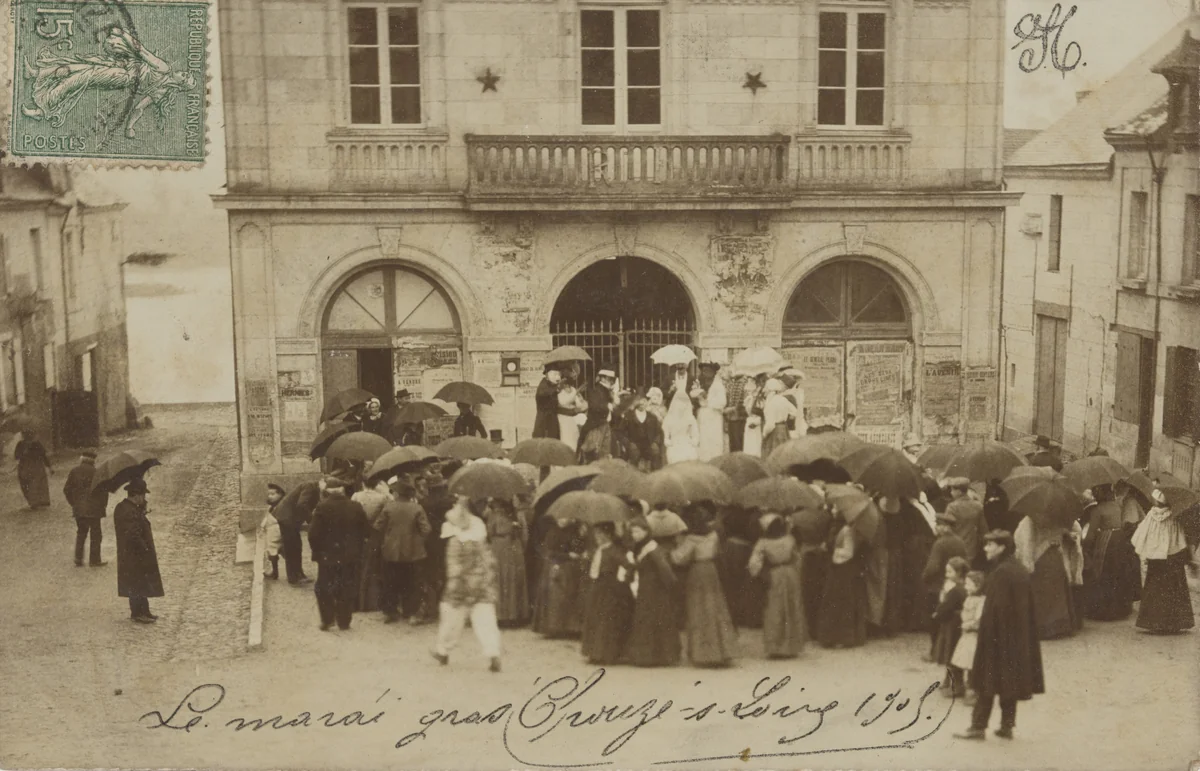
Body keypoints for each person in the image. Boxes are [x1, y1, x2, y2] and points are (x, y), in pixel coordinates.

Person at [955, 530, 1044, 741]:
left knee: (987, 680)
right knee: (1009, 680)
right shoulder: (1017, 569)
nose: (985, 548)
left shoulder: (1001, 573)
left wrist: (985, 633)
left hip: (998, 637)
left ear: (1002, 547)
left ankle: (977, 727)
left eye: (990, 545)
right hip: (1016, 638)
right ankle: (1007, 725)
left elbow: (996, 609)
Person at [432, 497, 503, 672]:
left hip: (460, 586)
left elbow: (453, 568)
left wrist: (454, 584)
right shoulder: (480, 539)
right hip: (481, 585)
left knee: (451, 621)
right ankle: (493, 652)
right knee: (486, 621)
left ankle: (443, 650)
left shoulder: (455, 542)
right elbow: (489, 561)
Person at [671, 513, 737, 666]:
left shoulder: (691, 539)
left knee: (699, 608)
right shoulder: (713, 535)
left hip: (697, 571)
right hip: (711, 570)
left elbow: (679, 558)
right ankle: (723, 650)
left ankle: (703, 653)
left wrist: (676, 546)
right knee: (715, 606)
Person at [308, 475, 370, 631]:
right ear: (342, 491)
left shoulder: (322, 507)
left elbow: (313, 534)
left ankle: (327, 620)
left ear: (327, 491)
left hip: (327, 556)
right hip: (350, 555)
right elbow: (365, 531)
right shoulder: (355, 506)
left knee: (323, 587)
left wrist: (317, 551)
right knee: (347, 586)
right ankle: (344, 621)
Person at [1130, 488, 1195, 633]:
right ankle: (1173, 623)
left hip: (1156, 558)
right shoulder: (1175, 516)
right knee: (1173, 588)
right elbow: (1180, 539)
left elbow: (1140, 535)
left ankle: (1154, 622)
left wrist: (1148, 551)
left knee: (1155, 587)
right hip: (1172, 557)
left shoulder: (1150, 516)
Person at [623, 516, 682, 667]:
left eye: (637, 532)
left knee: (651, 621)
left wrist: (670, 586)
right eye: (632, 532)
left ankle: (650, 657)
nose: (634, 535)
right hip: (647, 589)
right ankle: (652, 656)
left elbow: (665, 570)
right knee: (649, 621)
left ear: (645, 531)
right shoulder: (643, 547)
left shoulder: (652, 549)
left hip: (654, 590)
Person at [748, 515, 807, 659]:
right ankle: (791, 645)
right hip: (789, 574)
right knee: (791, 607)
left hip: (774, 575)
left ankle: (776, 646)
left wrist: (757, 573)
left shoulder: (763, 542)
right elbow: (797, 558)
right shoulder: (789, 539)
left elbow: (754, 564)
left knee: (774, 608)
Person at [1014, 516, 1079, 639]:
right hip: (1056, 556)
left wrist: (1027, 564)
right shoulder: (1058, 519)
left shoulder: (1030, 519)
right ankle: (1060, 627)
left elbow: (1028, 542)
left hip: (1041, 558)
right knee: (1057, 591)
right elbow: (1068, 536)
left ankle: (1044, 628)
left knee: (1042, 592)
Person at [379, 479, 431, 623]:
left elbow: (378, 526)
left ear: (397, 493)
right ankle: (411, 612)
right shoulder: (417, 508)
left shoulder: (388, 507)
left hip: (391, 551)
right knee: (412, 582)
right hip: (413, 551)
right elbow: (426, 529)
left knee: (391, 581)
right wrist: (418, 540)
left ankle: (390, 611)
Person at [582, 522, 634, 664]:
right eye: (596, 534)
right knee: (595, 619)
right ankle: (594, 652)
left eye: (601, 534)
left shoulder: (614, 551)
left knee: (606, 622)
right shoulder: (597, 550)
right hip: (596, 588)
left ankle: (606, 654)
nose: (598, 537)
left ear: (609, 535)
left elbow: (629, 566)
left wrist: (623, 580)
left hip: (610, 590)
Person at [113, 478, 163, 624]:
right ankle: (137, 613)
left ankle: (145, 611)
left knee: (141, 582)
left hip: (134, 554)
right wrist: (145, 548)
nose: (144, 499)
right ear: (136, 495)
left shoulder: (129, 508)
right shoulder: (127, 510)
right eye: (143, 496)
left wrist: (142, 512)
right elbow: (133, 534)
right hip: (133, 554)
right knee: (135, 583)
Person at [922, 510, 968, 658]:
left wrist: (924, 578)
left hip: (938, 586)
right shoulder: (960, 541)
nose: (936, 527)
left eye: (938, 525)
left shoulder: (940, 543)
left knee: (935, 620)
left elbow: (932, 567)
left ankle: (934, 651)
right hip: (955, 584)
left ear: (946, 527)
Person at [532, 516, 587, 638]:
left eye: (566, 518)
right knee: (555, 599)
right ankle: (553, 628)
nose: (563, 520)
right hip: (555, 565)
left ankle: (568, 627)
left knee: (568, 597)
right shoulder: (552, 533)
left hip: (569, 569)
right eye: (561, 518)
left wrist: (581, 537)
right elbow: (549, 552)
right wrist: (567, 555)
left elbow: (577, 547)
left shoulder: (573, 531)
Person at [818, 518, 868, 649]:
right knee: (847, 602)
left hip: (842, 568)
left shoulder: (846, 531)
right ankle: (847, 636)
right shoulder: (858, 532)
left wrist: (831, 547)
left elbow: (846, 553)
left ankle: (835, 636)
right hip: (851, 570)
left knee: (837, 601)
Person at [487, 497, 529, 626]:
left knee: (501, 579)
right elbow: (525, 535)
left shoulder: (493, 515)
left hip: (499, 548)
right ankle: (514, 614)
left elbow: (489, 533)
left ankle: (500, 615)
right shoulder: (517, 515)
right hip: (513, 548)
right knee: (511, 579)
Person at [352, 476, 392, 613]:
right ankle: (374, 602)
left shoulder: (356, 496)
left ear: (362, 483)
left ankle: (360, 602)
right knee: (374, 567)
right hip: (376, 533)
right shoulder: (382, 498)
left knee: (360, 566)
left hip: (359, 534)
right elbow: (388, 513)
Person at [932, 556, 970, 698]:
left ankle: (956, 685)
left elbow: (946, 606)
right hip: (956, 624)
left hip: (952, 626)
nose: (946, 575)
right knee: (952, 653)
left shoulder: (955, 590)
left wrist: (937, 614)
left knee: (951, 654)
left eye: (949, 572)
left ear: (958, 573)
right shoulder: (964, 587)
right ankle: (948, 681)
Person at [63, 450, 108, 567]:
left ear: (82, 459)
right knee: (96, 533)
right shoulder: (97, 472)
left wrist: (74, 503)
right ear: (93, 461)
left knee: (81, 532)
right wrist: (103, 505)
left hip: (79, 508)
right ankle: (94, 560)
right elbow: (103, 492)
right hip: (94, 509)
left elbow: (66, 490)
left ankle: (78, 559)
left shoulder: (74, 471)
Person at [272, 481, 318, 585]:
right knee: (291, 547)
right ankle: (293, 578)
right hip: (286, 518)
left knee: (297, 546)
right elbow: (301, 504)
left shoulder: (313, 488)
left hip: (290, 519)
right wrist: (311, 520)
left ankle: (299, 574)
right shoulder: (310, 487)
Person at [951, 570, 986, 706]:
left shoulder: (981, 601)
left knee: (972, 665)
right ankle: (961, 687)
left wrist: (969, 625)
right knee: (961, 662)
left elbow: (979, 619)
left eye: (969, 584)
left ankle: (972, 692)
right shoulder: (969, 598)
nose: (966, 587)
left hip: (973, 636)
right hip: (965, 636)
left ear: (977, 586)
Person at [945, 477, 988, 567]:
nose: (951, 492)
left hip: (955, 548)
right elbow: (984, 530)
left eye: (953, 490)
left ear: (959, 492)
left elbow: (947, 529)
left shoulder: (952, 507)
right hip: (972, 547)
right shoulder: (977, 506)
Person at [579, 369, 618, 463]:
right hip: (596, 426)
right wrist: (607, 405)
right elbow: (594, 406)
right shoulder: (596, 390)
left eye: (612, 379)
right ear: (603, 378)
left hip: (604, 425)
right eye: (609, 379)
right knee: (594, 454)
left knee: (603, 454)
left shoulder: (607, 391)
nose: (611, 381)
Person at [693, 362, 727, 461]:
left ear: (713, 372)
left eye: (708, 371)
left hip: (714, 416)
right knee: (703, 439)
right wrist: (699, 398)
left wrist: (708, 400)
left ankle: (714, 460)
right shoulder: (700, 384)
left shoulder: (718, 385)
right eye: (704, 371)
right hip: (703, 416)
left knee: (713, 439)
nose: (705, 373)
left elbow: (722, 402)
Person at [620, 396, 662, 471]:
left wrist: (655, 442)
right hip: (634, 445)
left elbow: (659, 432)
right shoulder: (628, 416)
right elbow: (620, 432)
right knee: (634, 454)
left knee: (656, 451)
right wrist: (628, 444)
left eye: (645, 401)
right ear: (636, 403)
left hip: (648, 444)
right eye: (640, 401)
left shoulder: (652, 417)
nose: (642, 403)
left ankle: (656, 476)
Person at [662, 386, 700, 465]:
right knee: (675, 458)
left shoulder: (690, 418)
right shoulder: (669, 418)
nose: (681, 406)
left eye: (684, 403)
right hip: (674, 443)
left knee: (691, 456)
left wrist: (694, 440)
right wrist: (666, 439)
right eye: (679, 403)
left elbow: (695, 434)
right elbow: (665, 434)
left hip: (687, 442)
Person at [15, 431, 52, 509]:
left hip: (25, 467)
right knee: (39, 484)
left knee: (27, 484)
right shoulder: (37, 444)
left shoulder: (21, 444)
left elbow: (16, 456)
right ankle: (41, 501)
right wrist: (49, 467)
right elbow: (44, 456)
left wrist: (23, 454)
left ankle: (34, 502)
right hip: (38, 467)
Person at [260, 484, 284, 580]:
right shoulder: (271, 506)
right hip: (271, 530)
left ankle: (275, 572)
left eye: (273, 494)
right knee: (272, 550)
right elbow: (267, 516)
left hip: (276, 530)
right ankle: (274, 571)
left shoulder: (280, 506)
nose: (270, 496)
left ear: (280, 495)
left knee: (273, 549)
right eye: (269, 494)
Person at [742, 375, 768, 457]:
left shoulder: (764, 396)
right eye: (758, 382)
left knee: (757, 444)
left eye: (762, 381)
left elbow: (764, 410)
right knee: (751, 444)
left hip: (759, 421)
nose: (760, 384)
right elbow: (748, 410)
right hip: (752, 420)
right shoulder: (751, 397)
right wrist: (753, 398)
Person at [723, 374, 748, 453]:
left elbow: (745, 401)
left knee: (738, 442)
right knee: (733, 441)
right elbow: (728, 399)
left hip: (740, 418)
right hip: (731, 417)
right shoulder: (731, 383)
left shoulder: (744, 383)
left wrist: (733, 409)